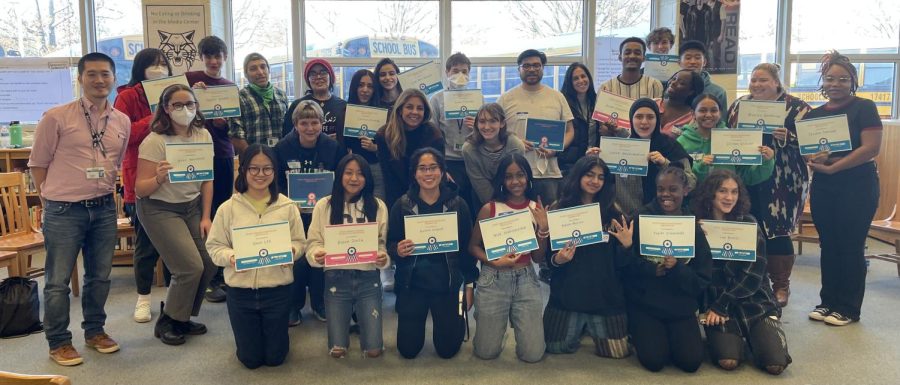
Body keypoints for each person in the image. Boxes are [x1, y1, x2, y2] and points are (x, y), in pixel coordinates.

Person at [29, 52, 129, 366]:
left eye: (105, 74)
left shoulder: (121, 121)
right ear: (80, 78)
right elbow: (38, 164)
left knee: (99, 277)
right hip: (63, 211)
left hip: (102, 209)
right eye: (92, 74)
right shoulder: (56, 117)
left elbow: (116, 163)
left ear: (113, 78)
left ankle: (95, 332)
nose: (99, 80)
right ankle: (58, 342)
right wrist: (51, 200)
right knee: (57, 281)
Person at [206, 144, 307, 369]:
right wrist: (232, 257)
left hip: (277, 290)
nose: (260, 175)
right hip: (240, 292)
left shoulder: (288, 207)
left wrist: (291, 251)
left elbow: (301, 243)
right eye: (254, 169)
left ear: (275, 171)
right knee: (250, 360)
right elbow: (214, 247)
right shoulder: (227, 208)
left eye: (267, 169)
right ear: (243, 170)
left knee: (275, 358)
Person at [805, 51, 882, 326]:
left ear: (852, 81)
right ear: (822, 82)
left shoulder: (864, 107)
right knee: (829, 244)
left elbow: (871, 148)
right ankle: (828, 302)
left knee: (850, 246)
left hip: (858, 185)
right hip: (825, 186)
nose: (835, 84)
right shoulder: (814, 115)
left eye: (842, 79)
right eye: (829, 79)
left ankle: (849, 308)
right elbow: (810, 153)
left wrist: (834, 165)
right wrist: (814, 160)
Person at [135, 84, 217, 346]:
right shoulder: (155, 141)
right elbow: (140, 189)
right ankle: (168, 320)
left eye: (190, 104)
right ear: (166, 109)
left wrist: (206, 216)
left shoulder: (203, 135)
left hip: (191, 206)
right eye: (178, 105)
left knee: (210, 262)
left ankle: (181, 317)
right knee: (189, 267)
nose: (185, 110)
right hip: (159, 207)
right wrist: (159, 178)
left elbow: (207, 179)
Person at [726, 63, 812, 307]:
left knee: (778, 229)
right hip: (747, 176)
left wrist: (790, 137)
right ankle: (753, 281)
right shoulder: (739, 105)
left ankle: (780, 285)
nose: (757, 85)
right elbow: (727, 134)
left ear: (776, 82)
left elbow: (814, 144)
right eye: (753, 80)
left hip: (785, 179)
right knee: (748, 225)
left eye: (763, 80)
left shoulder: (797, 107)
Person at [693, 169, 792, 375]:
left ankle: (762, 334)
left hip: (752, 298)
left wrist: (722, 305)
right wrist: (699, 240)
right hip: (715, 299)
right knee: (728, 361)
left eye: (734, 192)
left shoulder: (749, 224)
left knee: (775, 364)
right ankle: (736, 339)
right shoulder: (697, 226)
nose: (729, 198)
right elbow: (697, 274)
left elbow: (753, 276)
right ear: (710, 194)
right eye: (722, 191)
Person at [387, 148, 476, 359]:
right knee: (408, 350)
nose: (428, 174)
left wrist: (469, 287)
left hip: (448, 285)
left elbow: (467, 251)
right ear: (414, 174)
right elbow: (390, 242)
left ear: (443, 172)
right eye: (422, 169)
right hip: (412, 285)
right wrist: (397, 250)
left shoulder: (458, 205)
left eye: (433, 168)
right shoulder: (402, 205)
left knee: (447, 351)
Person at [543, 156, 633, 359]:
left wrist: (627, 247)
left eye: (601, 177)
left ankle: (589, 325)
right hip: (568, 295)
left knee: (617, 353)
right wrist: (559, 260)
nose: (595, 181)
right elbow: (548, 261)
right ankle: (581, 325)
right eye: (589, 175)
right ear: (578, 176)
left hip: (605, 296)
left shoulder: (614, 213)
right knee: (555, 347)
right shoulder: (559, 210)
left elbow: (623, 266)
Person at [626, 166, 712, 372]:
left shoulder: (692, 225)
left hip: (681, 306)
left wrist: (677, 269)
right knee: (654, 361)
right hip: (646, 305)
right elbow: (625, 268)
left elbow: (703, 277)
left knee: (690, 362)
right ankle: (637, 331)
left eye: (673, 189)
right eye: (660, 189)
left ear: (685, 190)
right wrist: (650, 269)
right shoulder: (640, 217)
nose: (665, 194)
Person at [306, 154, 391, 358]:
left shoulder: (378, 206)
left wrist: (382, 257)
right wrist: (316, 255)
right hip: (336, 278)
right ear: (339, 175)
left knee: (373, 351)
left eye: (360, 174)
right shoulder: (324, 205)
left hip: (368, 279)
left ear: (367, 178)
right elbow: (313, 243)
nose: (354, 178)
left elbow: (381, 243)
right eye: (349, 173)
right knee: (337, 350)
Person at [469, 153, 550, 363]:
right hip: (493, 278)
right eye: (509, 176)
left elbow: (538, 257)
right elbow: (473, 247)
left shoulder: (536, 209)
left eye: (520, 175)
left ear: (528, 177)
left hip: (526, 278)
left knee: (533, 355)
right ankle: (498, 332)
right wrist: (492, 261)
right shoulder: (490, 208)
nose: (515, 182)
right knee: (485, 353)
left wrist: (543, 230)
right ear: (502, 181)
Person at [274, 100, 347, 325]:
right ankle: (293, 306)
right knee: (296, 258)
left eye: (314, 122)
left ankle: (319, 303)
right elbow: (275, 183)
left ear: (322, 123)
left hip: (323, 212)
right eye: (304, 123)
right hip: (292, 213)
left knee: (320, 256)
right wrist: (286, 204)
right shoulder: (281, 148)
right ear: (295, 124)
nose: (310, 128)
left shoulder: (333, 147)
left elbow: (340, 181)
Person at [113, 47, 171, 323]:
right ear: (140, 68)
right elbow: (122, 136)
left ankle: (175, 301)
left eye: (163, 64)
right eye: (153, 64)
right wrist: (156, 117)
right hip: (141, 179)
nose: (159, 69)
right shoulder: (126, 96)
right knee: (146, 247)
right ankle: (143, 298)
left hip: (175, 180)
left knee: (177, 246)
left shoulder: (175, 95)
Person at [184, 35, 235, 303]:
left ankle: (219, 273)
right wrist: (193, 96)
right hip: (194, 154)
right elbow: (174, 111)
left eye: (218, 56)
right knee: (198, 213)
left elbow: (230, 128)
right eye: (209, 57)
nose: (214, 61)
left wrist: (221, 122)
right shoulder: (189, 80)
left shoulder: (229, 87)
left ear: (225, 58)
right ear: (202, 58)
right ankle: (203, 274)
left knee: (220, 211)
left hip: (223, 155)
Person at [586, 98, 696, 216]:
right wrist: (593, 161)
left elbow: (691, 183)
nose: (644, 122)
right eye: (639, 117)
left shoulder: (670, 146)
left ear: (657, 119)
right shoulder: (620, 147)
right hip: (627, 218)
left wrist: (665, 163)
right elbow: (605, 184)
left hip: (664, 217)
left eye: (650, 117)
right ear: (631, 120)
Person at [497, 49, 575, 206]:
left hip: (549, 173)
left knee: (549, 220)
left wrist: (557, 148)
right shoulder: (506, 99)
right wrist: (514, 141)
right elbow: (496, 131)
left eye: (536, 65)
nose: (531, 69)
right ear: (519, 69)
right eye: (526, 66)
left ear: (542, 68)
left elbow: (570, 131)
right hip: (515, 174)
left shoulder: (557, 97)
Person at [677, 94, 775, 186]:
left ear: (720, 113)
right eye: (702, 110)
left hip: (728, 199)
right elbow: (679, 178)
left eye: (714, 110)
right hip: (694, 201)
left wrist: (767, 161)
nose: (708, 115)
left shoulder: (733, 138)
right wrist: (701, 166)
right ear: (693, 114)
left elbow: (746, 176)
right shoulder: (681, 143)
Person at [375, 88, 445, 210]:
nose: (415, 112)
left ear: (425, 112)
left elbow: (438, 174)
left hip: (428, 196)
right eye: (409, 107)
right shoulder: (384, 135)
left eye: (420, 108)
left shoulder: (434, 135)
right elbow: (389, 179)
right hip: (396, 197)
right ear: (400, 109)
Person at [429, 52, 479, 215]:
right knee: (453, 204)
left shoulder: (477, 98)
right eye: (455, 71)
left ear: (469, 74)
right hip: (449, 160)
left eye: (464, 72)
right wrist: (440, 165)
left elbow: (488, 133)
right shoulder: (436, 99)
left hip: (472, 159)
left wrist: (477, 128)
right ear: (447, 73)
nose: (460, 75)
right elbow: (432, 134)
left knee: (473, 204)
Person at [462, 103, 526, 207]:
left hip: (513, 195)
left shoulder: (516, 145)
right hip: (483, 200)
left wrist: (511, 206)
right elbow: (481, 186)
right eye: (482, 122)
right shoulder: (469, 149)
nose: (487, 127)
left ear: (502, 123)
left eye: (493, 121)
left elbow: (518, 180)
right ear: (477, 124)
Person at [230, 52, 289, 156]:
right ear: (246, 74)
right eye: (253, 69)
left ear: (269, 70)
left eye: (263, 67)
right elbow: (236, 135)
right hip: (252, 162)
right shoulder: (239, 98)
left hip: (280, 158)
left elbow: (288, 129)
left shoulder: (281, 95)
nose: (260, 72)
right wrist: (253, 158)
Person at [345, 69, 385, 200]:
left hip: (375, 168)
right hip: (352, 170)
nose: (365, 90)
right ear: (354, 87)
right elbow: (341, 144)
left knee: (377, 209)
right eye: (361, 85)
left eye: (370, 86)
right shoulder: (345, 112)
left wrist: (375, 148)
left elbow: (391, 147)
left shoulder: (384, 114)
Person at [282, 58, 346, 139]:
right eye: (313, 74)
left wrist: (340, 138)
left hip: (336, 151)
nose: (319, 77)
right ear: (308, 80)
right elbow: (287, 135)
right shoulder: (297, 105)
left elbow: (349, 137)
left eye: (323, 72)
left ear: (331, 77)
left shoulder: (343, 106)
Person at [558, 63, 599, 172]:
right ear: (569, 83)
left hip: (592, 162)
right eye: (575, 78)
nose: (581, 80)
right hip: (569, 166)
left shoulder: (597, 102)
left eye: (583, 76)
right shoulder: (563, 103)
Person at [599, 37, 664, 101]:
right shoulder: (606, 88)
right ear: (620, 57)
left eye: (637, 53)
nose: (632, 56)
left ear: (644, 58)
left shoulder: (654, 85)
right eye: (627, 53)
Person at [678, 40, 727, 123]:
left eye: (697, 58)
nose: (693, 62)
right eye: (688, 58)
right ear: (679, 62)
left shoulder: (718, 92)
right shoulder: (672, 89)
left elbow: (721, 124)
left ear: (704, 62)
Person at [658, 69, 705, 138]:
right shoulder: (651, 104)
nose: (673, 83)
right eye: (674, 79)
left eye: (681, 83)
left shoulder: (692, 119)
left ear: (691, 92)